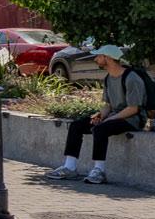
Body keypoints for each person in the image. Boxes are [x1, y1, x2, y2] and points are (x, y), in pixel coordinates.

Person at [52, 45, 146, 185]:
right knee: (77, 126)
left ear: (107, 58)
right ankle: (69, 167)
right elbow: (108, 105)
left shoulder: (131, 78)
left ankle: (99, 171)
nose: (95, 59)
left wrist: (109, 119)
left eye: (98, 56)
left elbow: (134, 109)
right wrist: (100, 116)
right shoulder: (109, 78)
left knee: (100, 129)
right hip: (114, 116)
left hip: (132, 119)